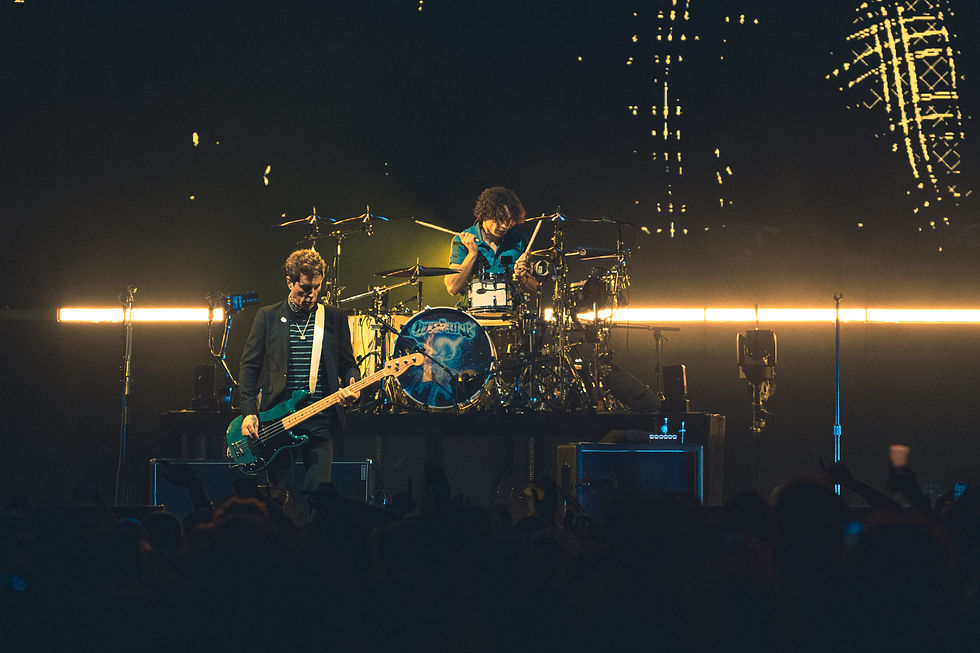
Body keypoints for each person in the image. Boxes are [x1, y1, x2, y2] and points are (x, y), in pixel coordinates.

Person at [239, 249, 360, 506]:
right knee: (280, 501)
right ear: (289, 282)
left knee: (320, 498)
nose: (311, 295)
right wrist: (250, 412)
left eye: (317, 287)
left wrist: (353, 384)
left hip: (321, 421)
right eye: (305, 288)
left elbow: (348, 365)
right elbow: (249, 367)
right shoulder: (268, 316)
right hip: (278, 422)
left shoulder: (334, 318)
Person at [445, 186, 538, 296]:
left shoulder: (519, 241)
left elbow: (537, 288)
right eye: (499, 219)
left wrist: (522, 276)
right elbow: (452, 288)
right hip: (472, 312)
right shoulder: (463, 241)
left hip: (510, 311)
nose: (504, 226)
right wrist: (472, 254)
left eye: (509, 221)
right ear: (486, 214)